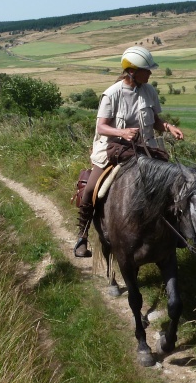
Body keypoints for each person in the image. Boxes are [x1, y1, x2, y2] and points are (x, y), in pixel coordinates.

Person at [74, 45, 184, 257]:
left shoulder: (149, 91)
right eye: (147, 69)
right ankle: (82, 235)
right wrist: (122, 132)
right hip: (114, 149)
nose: (150, 73)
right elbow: (101, 127)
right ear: (132, 71)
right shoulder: (112, 94)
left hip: (146, 149)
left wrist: (169, 128)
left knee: (172, 183)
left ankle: (174, 232)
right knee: (93, 188)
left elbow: (156, 121)